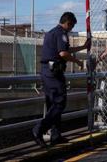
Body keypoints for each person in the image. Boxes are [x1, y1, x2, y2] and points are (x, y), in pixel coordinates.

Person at [32, 12, 90, 147]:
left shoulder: (52, 32)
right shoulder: (61, 33)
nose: (71, 30)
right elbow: (63, 53)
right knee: (59, 103)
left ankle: (56, 136)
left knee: (53, 104)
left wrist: (82, 47)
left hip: (47, 71)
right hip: (54, 73)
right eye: (72, 26)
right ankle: (39, 129)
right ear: (68, 23)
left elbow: (66, 49)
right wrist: (78, 62)